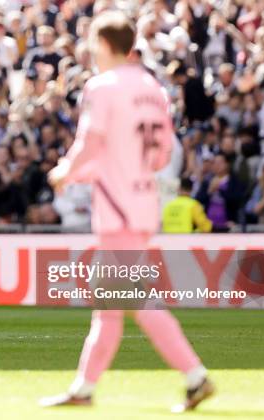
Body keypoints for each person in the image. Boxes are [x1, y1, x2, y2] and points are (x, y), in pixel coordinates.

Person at [44, 11, 213, 412]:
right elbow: (164, 154)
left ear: (103, 44)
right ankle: (84, 388)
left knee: (132, 299)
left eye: (91, 43)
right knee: (110, 306)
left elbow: (91, 140)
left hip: (117, 206)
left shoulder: (103, 87)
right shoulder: (152, 86)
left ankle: (196, 376)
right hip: (142, 201)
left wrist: (66, 171)